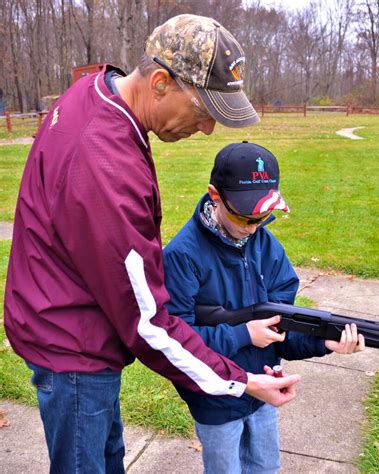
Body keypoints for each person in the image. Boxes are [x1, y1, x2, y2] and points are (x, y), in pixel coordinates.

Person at [3, 15, 300, 473]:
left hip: (70, 321)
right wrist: (239, 381)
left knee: (107, 458)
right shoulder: (106, 166)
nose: (205, 130)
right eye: (203, 112)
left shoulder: (97, 92)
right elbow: (150, 324)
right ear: (160, 82)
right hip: (72, 348)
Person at [163, 141, 366, 473]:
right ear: (215, 195)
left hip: (264, 391)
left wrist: (323, 341)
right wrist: (243, 335)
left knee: (265, 467)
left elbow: (285, 327)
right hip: (215, 399)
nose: (254, 227)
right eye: (244, 216)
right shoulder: (183, 256)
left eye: (263, 216)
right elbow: (177, 342)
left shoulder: (267, 247)